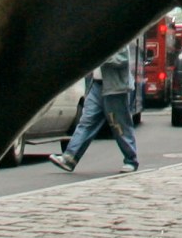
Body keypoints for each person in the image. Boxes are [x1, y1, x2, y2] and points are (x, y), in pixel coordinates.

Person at [52, 39, 141, 173]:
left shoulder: (118, 36)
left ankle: (131, 160)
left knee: (119, 124)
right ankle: (70, 157)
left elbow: (122, 59)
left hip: (115, 88)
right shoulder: (98, 36)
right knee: (86, 121)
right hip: (96, 85)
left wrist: (101, 57)